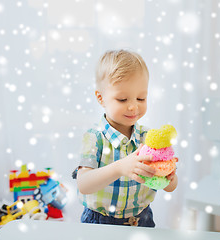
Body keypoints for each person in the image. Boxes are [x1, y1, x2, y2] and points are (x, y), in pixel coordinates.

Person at [74, 49, 178, 227]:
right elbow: (83, 184)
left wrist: (169, 176)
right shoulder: (94, 137)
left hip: (141, 219)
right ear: (101, 98)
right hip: (99, 221)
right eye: (122, 99)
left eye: (141, 98)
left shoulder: (148, 138)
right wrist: (120, 167)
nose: (133, 107)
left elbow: (169, 187)